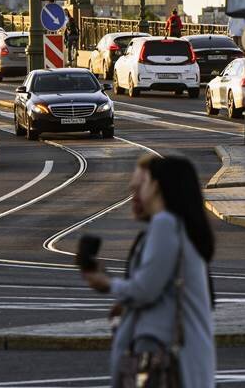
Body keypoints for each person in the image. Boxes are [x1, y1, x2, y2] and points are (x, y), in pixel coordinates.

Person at [81, 154, 215, 388]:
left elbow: (146, 289)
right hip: (186, 359)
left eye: (142, 183)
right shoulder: (181, 228)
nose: (134, 189)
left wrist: (107, 284)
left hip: (169, 361)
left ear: (156, 186)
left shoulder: (165, 224)